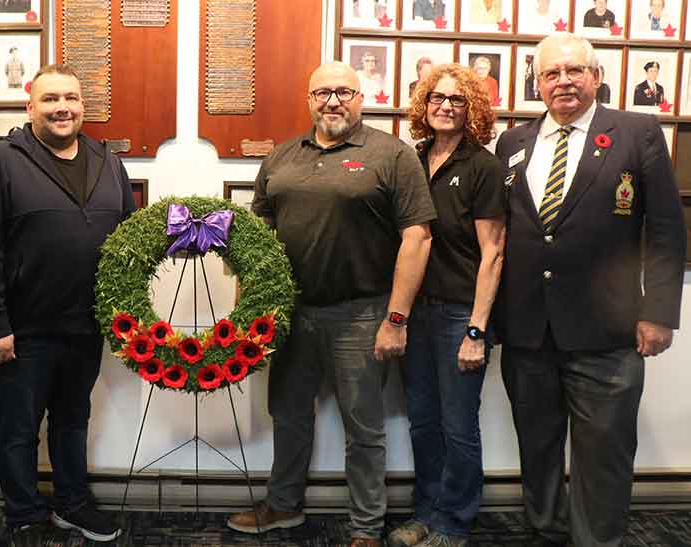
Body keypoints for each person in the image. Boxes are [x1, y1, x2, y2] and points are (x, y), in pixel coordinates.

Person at [226, 61, 436, 547]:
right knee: (288, 413)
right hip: (291, 313)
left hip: (362, 314)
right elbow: (256, 241)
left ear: (361, 98)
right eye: (322, 92)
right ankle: (283, 505)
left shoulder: (391, 155)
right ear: (309, 99)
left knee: (363, 426)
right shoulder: (281, 158)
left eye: (344, 91)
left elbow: (418, 238)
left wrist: (396, 319)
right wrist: (246, 314)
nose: (333, 101)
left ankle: (365, 525)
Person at [494, 33, 685, 546]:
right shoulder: (513, 142)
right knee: (537, 445)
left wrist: (660, 312)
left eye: (574, 70)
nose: (563, 82)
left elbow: (666, 229)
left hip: (608, 332)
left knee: (604, 452)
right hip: (529, 331)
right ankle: (545, 529)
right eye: (551, 74)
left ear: (596, 77)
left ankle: (597, 540)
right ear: (538, 83)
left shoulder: (636, 132)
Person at [0, 64, 134, 545]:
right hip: (24, 329)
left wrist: (125, 315)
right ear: (30, 107)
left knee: (73, 420)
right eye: (50, 99)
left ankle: (72, 503)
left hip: (87, 325)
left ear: (83, 106)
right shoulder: (1, 161)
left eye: (71, 98)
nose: (62, 107)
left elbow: (129, 237)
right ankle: (23, 515)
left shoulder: (108, 161)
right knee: (19, 429)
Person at [388, 63, 505, 547]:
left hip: (461, 315)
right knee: (423, 420)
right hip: (416, 313)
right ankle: (426, 513)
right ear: (423, 104)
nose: (445, 107)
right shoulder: (412, 159)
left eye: (457, 100)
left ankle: (454, 523)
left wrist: (477, 330)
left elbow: (494, 252)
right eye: (437, 98)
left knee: (459, 426)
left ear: (472, 109)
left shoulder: (482, 167)